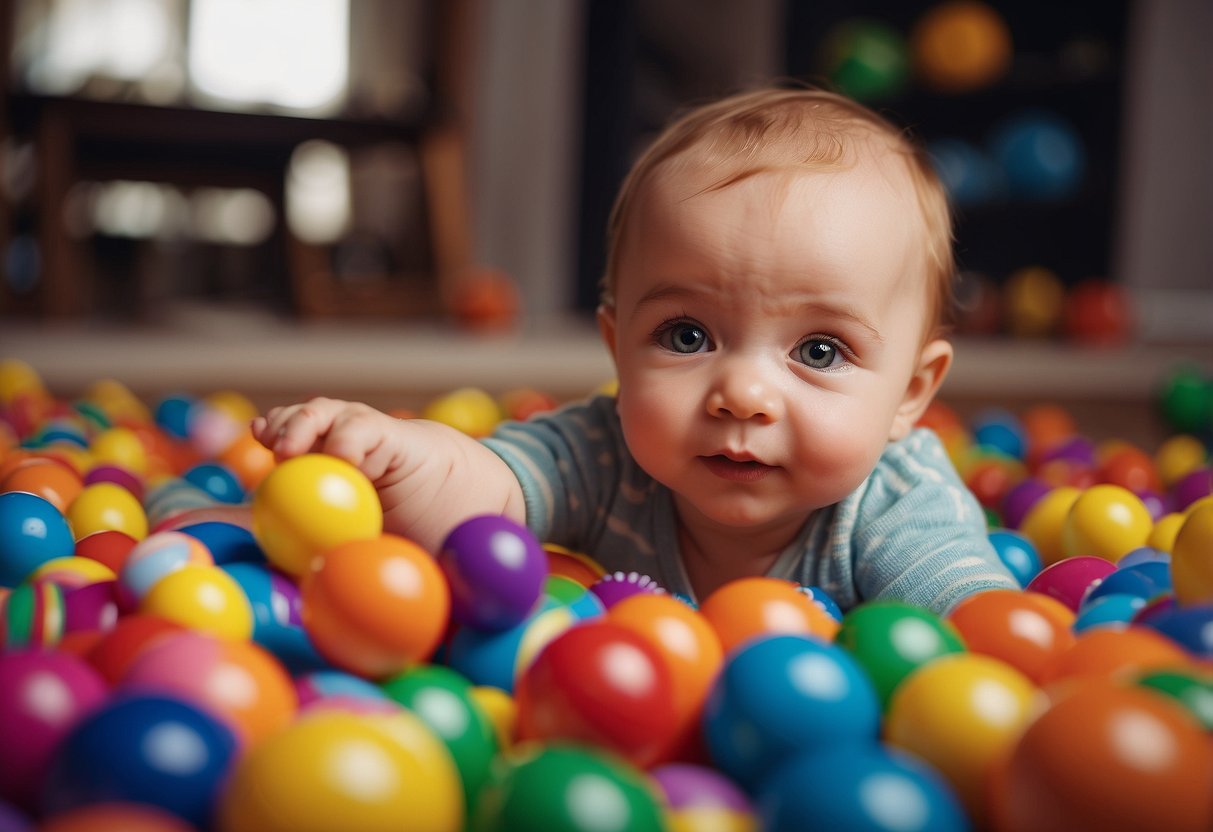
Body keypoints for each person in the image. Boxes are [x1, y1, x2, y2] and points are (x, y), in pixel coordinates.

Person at [256, 85, 1018, 614]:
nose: (742, 395)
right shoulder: (601, 452)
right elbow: (486, 494)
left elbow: (975, 630)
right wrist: (403, 456)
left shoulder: (895, 507)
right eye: (686, 336)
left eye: (818, 352)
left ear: (911, 396)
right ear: (617, 349)